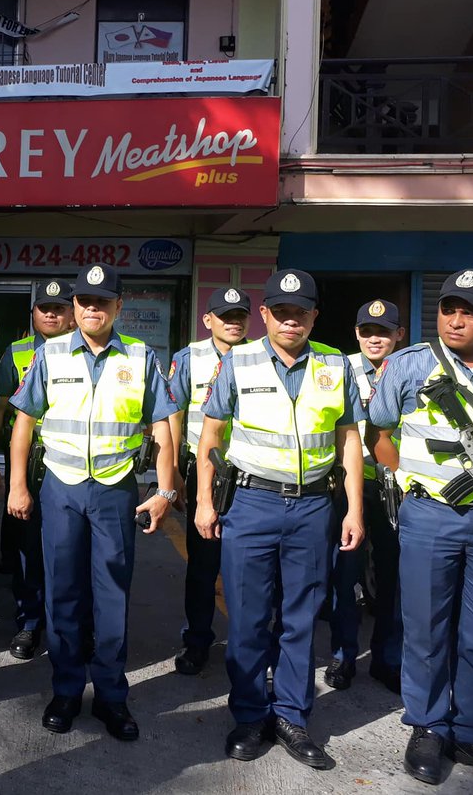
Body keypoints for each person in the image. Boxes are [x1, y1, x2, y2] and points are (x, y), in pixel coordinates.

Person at [195, 268, 365, 770]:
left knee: (299, 618)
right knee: (248, 617)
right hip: (251, 505)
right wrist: (205, 501)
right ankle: (249, 715)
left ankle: (291, 715)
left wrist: (354, 509)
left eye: (302, 313)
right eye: (282, 312)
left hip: (313, 506)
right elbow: (210, 439)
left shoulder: (336, 364)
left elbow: (348, 441)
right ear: (265, 314)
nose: (292, 321)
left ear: (314, 316)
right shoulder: (239, 361)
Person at [369, 270, 473, 788]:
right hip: (429, 518)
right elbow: (379, 430)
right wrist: (404, 480)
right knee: (425, 633)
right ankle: (428, 728)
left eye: (470, 311)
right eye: (448, 308)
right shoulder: (410, 365)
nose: (456, 320)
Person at [8, 262, 178, 741]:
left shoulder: (142, 357)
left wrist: (164, 491)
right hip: (60, 486)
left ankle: (109, 696)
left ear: (119, 306)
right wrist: (18, 483)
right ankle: (64, 690)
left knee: (110, 595)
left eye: (102, 302)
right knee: (62, 591)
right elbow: (23, 421)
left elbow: (161, 425)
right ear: (74, 306)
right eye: (84, 301)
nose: (92, 309)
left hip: (114, 487)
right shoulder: (51, 353)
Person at [0, 278, 73, 661]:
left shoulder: (84, 352)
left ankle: (69, 627)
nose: (51, 313)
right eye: (44, 308)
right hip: (30, 465)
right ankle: (30, 621)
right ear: (33, 313)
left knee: (71, 551)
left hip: (71, 466)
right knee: (29, 549)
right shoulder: (17, 353)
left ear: (71, 312)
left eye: (59, 307)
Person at [168, 287, 250, 676]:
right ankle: (197, 640)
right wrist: (171, 476)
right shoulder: (189, 358)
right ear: (208, 320)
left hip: (251, 475)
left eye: (239, 316)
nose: (233, 322)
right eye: (224, 315)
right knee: (203, 564)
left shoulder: (261, 357)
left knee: (249, 568)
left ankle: (248, 647)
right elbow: (174, 417)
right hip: (204, 473)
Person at [325, 299, 405, 693]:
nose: (375, 339)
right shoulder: (339, 369)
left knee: (393, 576)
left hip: (397, 488)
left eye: (384, 332)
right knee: (345, 574)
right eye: (368, 332)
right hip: (348, 486)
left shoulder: (412, 370)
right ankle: (342, 656)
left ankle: (387, 658)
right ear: (357, 334)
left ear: (399, 335)